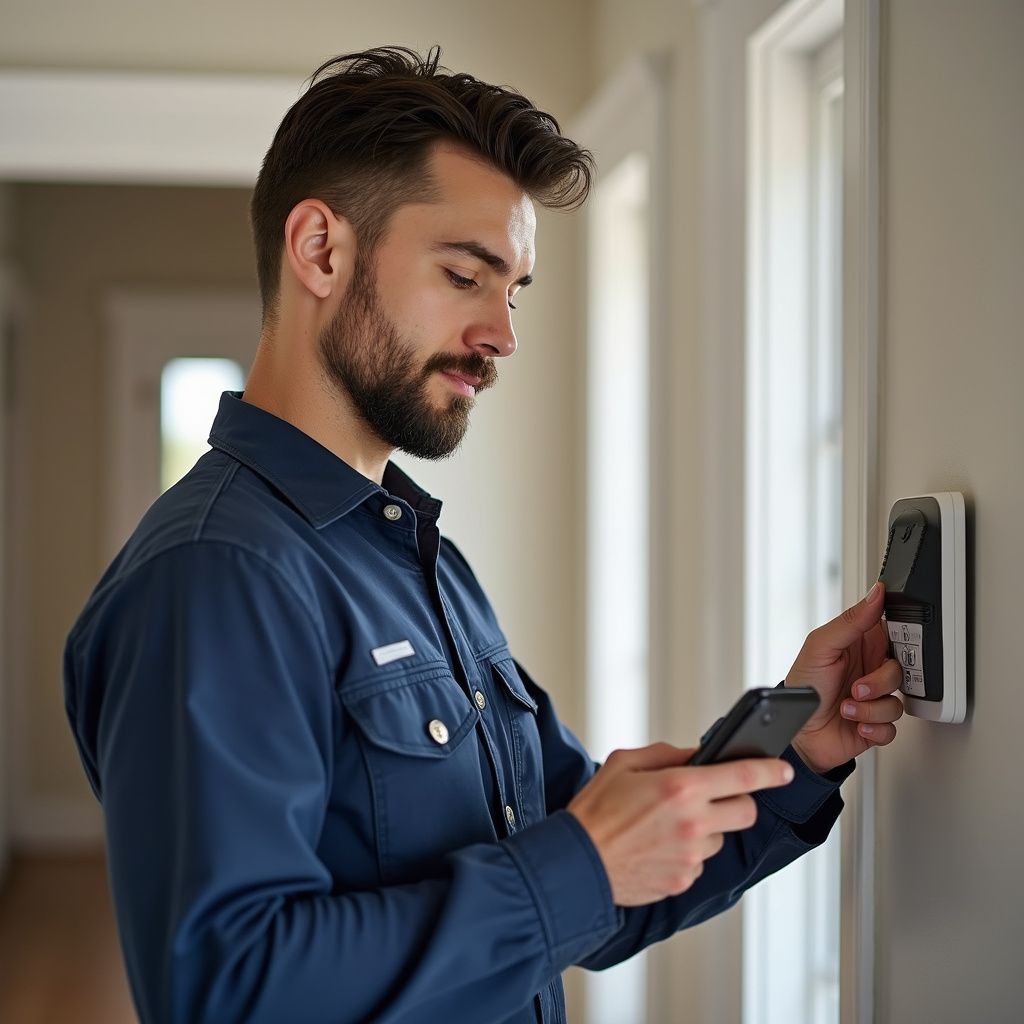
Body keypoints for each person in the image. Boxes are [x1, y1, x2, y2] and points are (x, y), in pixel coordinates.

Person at [63, 46, 904, 1024]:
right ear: (320, 251)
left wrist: (793, 756)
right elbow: (229, 989)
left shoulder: (420, 559)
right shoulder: (217, 576)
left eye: (514, 291)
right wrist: (576, 866)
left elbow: (594, 880)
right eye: (466, 274)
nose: (502, 332)